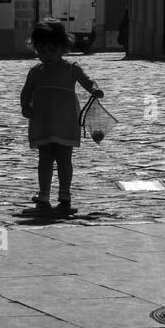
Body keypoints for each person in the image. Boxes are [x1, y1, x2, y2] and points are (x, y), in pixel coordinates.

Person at [20, 18, 103, 216]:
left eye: (51, 50)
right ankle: (44, 194)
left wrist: (95, 89)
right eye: (42, 51)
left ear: (62, 47)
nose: (46, 55)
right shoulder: (35, 72)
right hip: (43, 122)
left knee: (65, 158)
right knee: (45, 158)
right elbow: (26, 91)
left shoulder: (71, 68)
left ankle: (65, 194)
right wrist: (25, 106)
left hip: (65, 122)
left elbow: (87, 80)